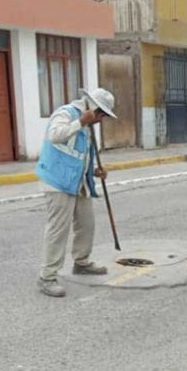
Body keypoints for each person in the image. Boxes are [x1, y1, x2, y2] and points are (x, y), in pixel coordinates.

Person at [35, 88, 117, 298]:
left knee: (86, 224)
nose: (103, 119)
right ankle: (47, 277)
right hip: (58, 181)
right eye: (103, 114)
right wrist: (80, 121)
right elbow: (55, 136)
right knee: (58, 230)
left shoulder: (89, 125)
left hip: (79, 182)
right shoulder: (66, 114)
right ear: (94, 109)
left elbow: (80, 154)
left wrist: (95, 171)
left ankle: (81, 262)